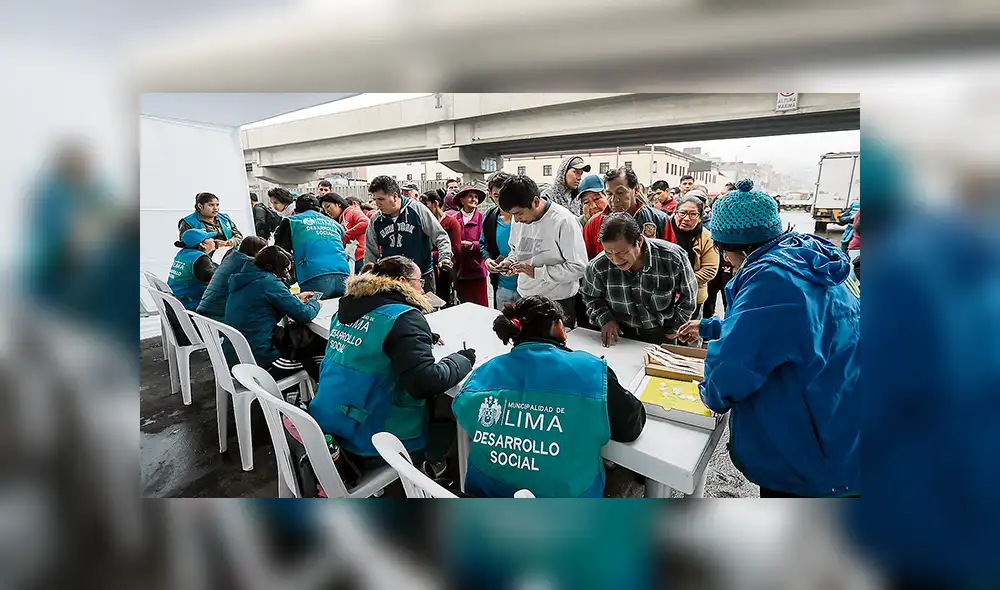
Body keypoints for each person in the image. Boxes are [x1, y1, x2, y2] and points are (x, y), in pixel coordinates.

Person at [671, 178, 860, 498]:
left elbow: (732, 366)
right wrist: (710, 327)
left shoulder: (771, 279)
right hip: (845, 416)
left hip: (808, 448)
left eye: (724, 251)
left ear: (737, 247)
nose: (727, 262)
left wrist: (710, 393)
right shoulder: (806, 257)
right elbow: (798, 328)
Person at [452, 295, 646, 498]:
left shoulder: (486, 371)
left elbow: (462, 411)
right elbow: (631, 424)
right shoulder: (590, 370)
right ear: (558, 327)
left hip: (484, 502)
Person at [309, 256, 476, 470]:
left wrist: (418, 337)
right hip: (373, 438)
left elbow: (372, 336)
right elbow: (425, 382)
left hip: (329, 419)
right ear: (402, 281)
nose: (422, 289)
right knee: (455, 419)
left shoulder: (348, 308)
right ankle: (432, 468)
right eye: (419, 281)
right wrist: (462, 359)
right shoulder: (403, 318)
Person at [581, 214, 697, 347]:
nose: (616, 260)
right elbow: (590, 297)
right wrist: (605, 319)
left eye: (622, 252)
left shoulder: (672, 257)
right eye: (608, 253)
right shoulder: (597, 266)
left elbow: (689, 296)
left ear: (639, 241)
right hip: (620, 334)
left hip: (662, 331)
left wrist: (677, 323)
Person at [499, 175, 588, 328]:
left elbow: (579, 267)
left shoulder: (563, 221)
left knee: (555, 343)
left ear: (535, 202)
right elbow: (516, 249)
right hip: (524, 297)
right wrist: (510, 262)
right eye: (513, 214)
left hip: (556, 303)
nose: (516, 220)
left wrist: (537, 272)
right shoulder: (517, 219)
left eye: (519, 213)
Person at [224, 246, 323, 379]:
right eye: (285, 270)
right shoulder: (269, 282)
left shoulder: (245, 278)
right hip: (262, 361)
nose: (286, 275)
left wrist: (295, 298)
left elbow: (263, 302)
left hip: (235, 357)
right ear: (274, 269)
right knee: (326, 355)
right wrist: (316, 304)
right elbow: (303, 314)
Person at [365, 175, 454, 294]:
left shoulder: (417, 209)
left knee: (426, 306)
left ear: (395, 196)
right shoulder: (375, 219)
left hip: (421, 277)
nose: (377, 204)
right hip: (391, 280)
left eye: (381, 199)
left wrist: (445, 257)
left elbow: (440, 236)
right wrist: (368, 276)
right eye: (375, 199)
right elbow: (370, 251)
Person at [583, 166, 672, 260]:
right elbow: (587, 260)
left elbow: (670, 257)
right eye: (609, 194)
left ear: (636, 190)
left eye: (620, 192)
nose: (614, 199)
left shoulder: (659, 220)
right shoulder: (593, 223)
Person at [274, 194, 351, 299]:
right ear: (319, 210)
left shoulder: (292, 222)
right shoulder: (335, 224)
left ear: (296, 211)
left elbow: (280, 254)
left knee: (313, 308)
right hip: (344, 276)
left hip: (314, 277)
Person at [669, 196, 718, 334]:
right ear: (675, 212)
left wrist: (681, 283)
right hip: (662, 294)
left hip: (692, 297)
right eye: (682, 213)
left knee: (686, 333)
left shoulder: (707, 237)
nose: (686, 218)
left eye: (692, 214)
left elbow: (710, 270)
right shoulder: (665, 229)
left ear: (701, 217)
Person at [196, 235, 267, 321]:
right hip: (218, 315)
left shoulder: (231, 258)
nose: (266, 255)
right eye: (264, 251)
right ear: (255, 251)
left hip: (206, 310)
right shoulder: (248, 264)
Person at [481, 173, 519, 309]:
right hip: (502, 285)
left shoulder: (523, 216)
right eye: (496, 196)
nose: (501, 200)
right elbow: (483, 244)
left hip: (527, 284)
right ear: (490, 194)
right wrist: (487, 259)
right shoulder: (490, 216)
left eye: (504, 195)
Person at [420, 189, 462, 306]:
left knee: (444, 302)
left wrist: (433, 255)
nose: (423, 208)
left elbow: (456, 249)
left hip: (445, 271)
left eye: (426, 204)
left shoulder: (451, 222)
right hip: (428, 270)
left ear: (435, 203)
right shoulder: (423, 223)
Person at [451, 186, 490, 307]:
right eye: (470, 196)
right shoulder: (454, 219)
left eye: (476, 197)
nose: (474, 199)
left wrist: (472, 245)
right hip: (459, 270)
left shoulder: (483, 219)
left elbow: (487, 242)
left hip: (477, 270)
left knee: (481, 305)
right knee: (463, 305)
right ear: (462, 200)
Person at [319, 191, 369, 274]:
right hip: (351, 259)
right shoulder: (340, 220)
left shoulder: (352, 212)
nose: (327, 211)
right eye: (324, 209)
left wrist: (346, 236)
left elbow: (366, 223)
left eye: (328, 206)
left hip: (361, 258)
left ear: (338, 204)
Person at [167, 228, 218, 310]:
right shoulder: (200, 258)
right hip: (190, 304)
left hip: (176, 300)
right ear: (203, 244)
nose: (213, 240)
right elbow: (217, 278)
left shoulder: (183, 253)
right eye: (209, 238)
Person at [178, 192, 243, 248]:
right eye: (211, 205)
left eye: (217, 205)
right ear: (200, 206)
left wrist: (231, 242)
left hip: (229, 254)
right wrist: (215, 244)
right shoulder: (188, 222)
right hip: (204, 257)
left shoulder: (225, 218)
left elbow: (238, 235)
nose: (215, 208)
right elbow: (185, 244)